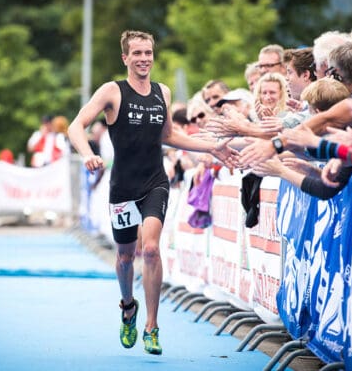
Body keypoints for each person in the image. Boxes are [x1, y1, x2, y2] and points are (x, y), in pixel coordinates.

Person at [67, 30, 236, 356]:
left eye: (148, 52)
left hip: (155, 182)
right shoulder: (112, 91)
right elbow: (76, 126)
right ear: (125, 58)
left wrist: (212, 148)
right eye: (138, 53)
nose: (144, 58)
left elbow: (170, 137)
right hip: (123, 187)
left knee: (153, 249)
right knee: (126, 256)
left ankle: (152, 326)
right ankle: (128, 307)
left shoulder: (163, 92)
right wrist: (86, 152)